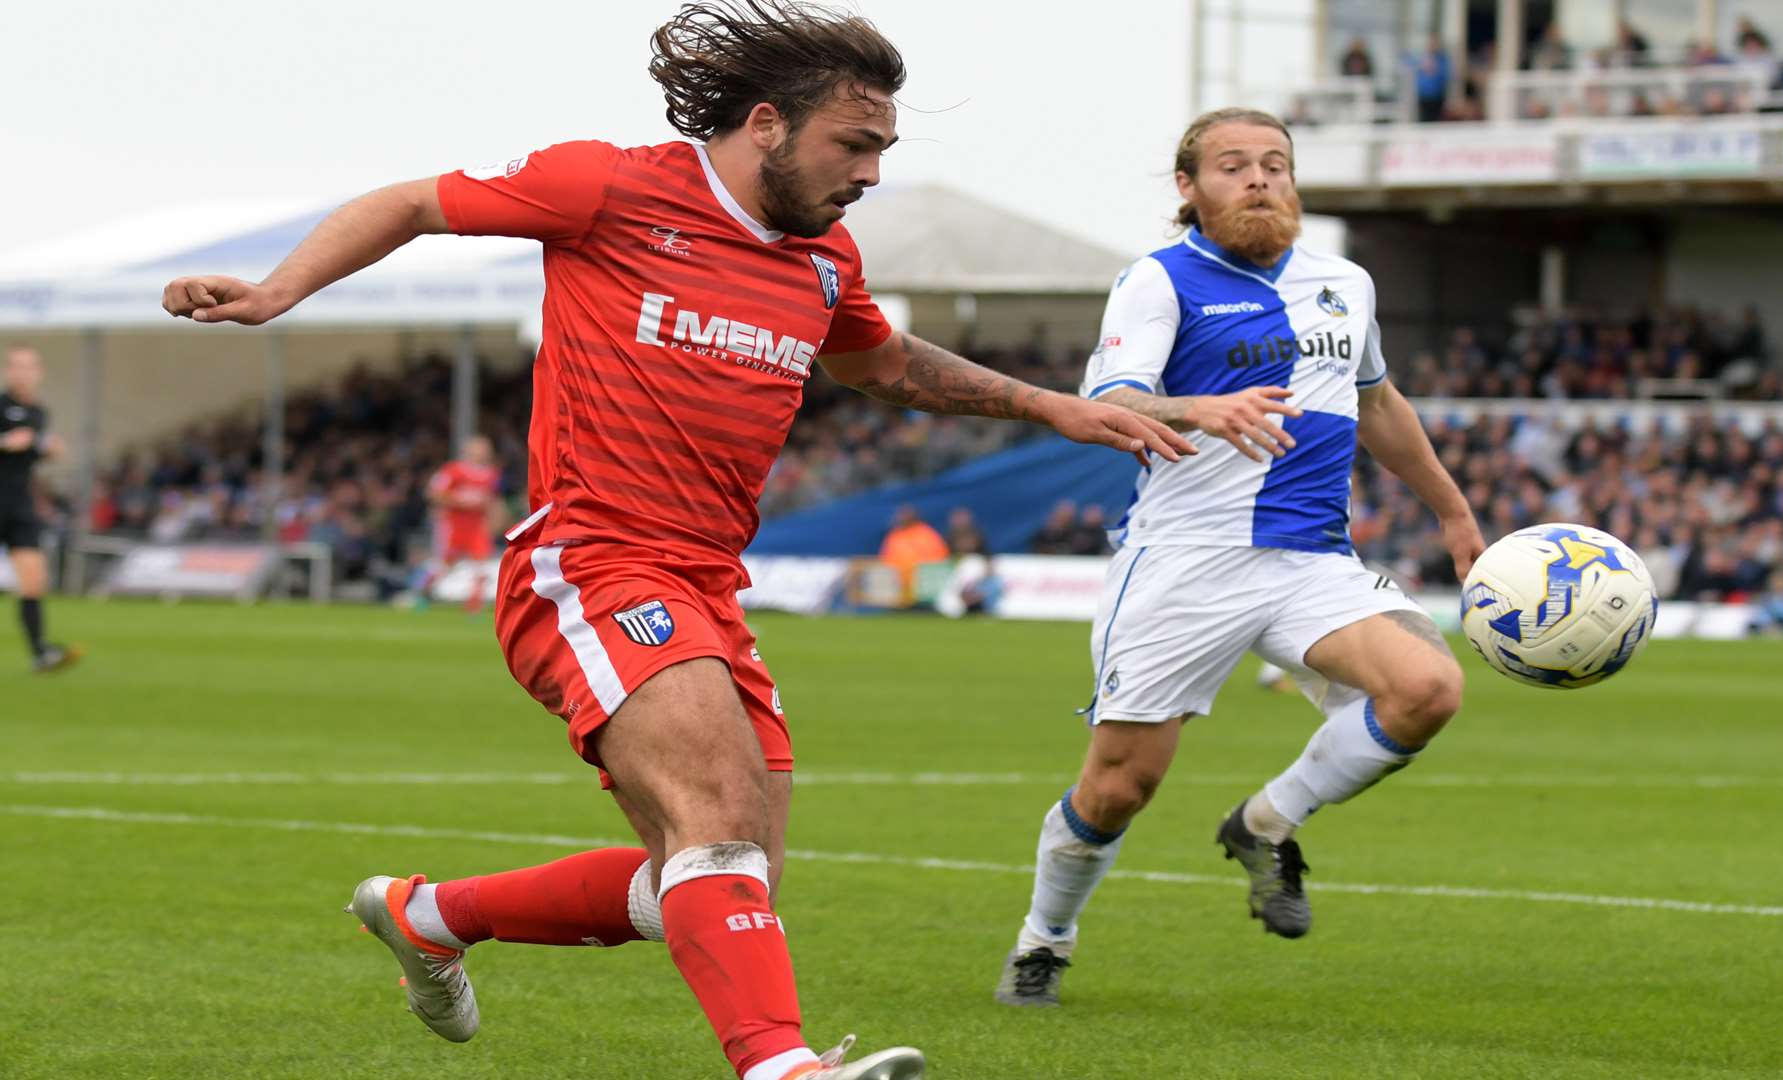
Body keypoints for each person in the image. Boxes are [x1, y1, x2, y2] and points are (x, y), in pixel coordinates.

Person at [160, 3, 1192, 1077]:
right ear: (764, 124)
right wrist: (278, 290)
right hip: (590, 562)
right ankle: (781, 1065)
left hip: (707, 586)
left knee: (710, 878)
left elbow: (884, 366)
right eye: (855, 145)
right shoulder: (607, 187)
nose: (872, 175)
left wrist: (1052, 406)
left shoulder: (822, 259)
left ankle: (433, 917)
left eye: (883, 150)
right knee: (719, 817)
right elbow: (416, 201)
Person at [991, 108, 1485, 1008]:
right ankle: (1044, 940)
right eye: (1232, 166)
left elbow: (1379, 407)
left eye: (1275, 165)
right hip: (1185, 562)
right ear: (1190, 188)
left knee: (1428, 689)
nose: (1259, 179)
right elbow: (1111, 397)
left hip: (1312, 561)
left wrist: (1453, 512)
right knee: (1117, 789)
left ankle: (1265, 824)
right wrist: (1194, 408)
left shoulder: (1346, 282)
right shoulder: (1159, 280)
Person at [1, 345, 79, 674]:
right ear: (7, 370)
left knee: (33, 580)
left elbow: (33, 450)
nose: (23, 372)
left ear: (39, 372)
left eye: (29, 366)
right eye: (17, 366)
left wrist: (49, 450)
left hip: (18, 505)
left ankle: (40, 652)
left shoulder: (39, 413)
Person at [419, 434, 502, 612]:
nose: (482, 452)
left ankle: (474, 608)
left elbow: (491, 500)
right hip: (454, 525)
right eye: (478, 448)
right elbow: (434, 493)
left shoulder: (491, 474)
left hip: (477, 527)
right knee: (444, 564)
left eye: (485, 449)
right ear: (468, 451)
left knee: (481, 566)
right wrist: (460, 501)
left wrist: (492, 517)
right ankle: (421, 593)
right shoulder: (453, 470)